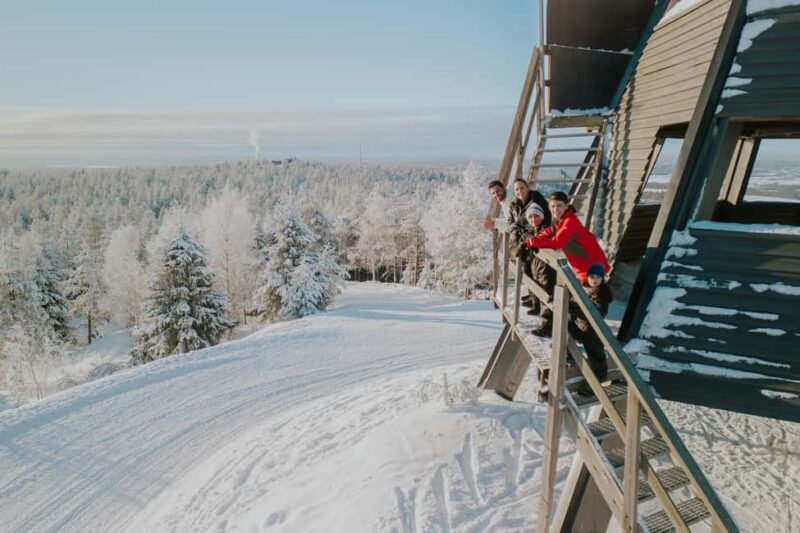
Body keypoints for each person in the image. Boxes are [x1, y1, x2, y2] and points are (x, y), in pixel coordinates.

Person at [524, 191, 609, 283]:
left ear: (566, 206)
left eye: (559, 205)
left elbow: (555, 243)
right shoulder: (563, 219)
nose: (555, 209)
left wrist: (532, 242)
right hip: (587, 267)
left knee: (588, 292)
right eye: (552, 206)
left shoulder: (569, 222)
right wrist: (536, 239)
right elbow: (550, 230)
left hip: (592, 269)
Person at [571, 262, 613, 394]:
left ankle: (596, 382)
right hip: (580, 325)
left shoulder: (603, 293)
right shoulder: (583, 289)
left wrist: (580, 304)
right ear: (588, 277)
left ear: (602, 279)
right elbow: (571, 301)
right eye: (592, 277)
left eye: (598, 277)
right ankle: (569, 355)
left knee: (595, 354)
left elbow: (598, 311)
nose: (594, 280)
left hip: (593, 329)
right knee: (564, 329)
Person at [522, 203, 556, 321]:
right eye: (530, 217)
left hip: (547, 266)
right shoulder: (532, 230)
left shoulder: (547, 229)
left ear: (541, 216)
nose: (533, 219)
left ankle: (547, 322)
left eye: (536, 216)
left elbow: (547, 240)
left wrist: (533, 242)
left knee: (547, 292)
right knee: (539, 287)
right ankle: (537, 307)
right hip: (537, 266)